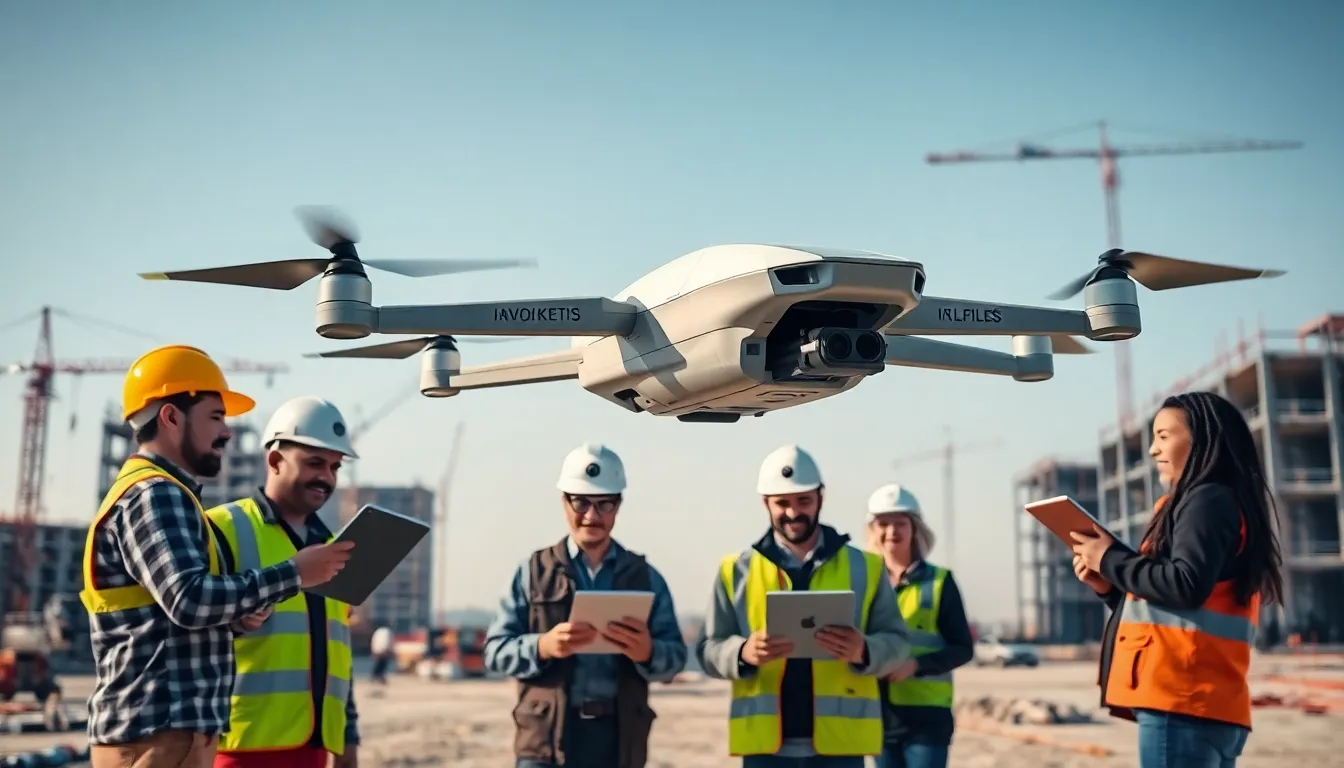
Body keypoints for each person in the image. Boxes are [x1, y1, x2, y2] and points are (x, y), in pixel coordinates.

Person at [82, 345, 354, 768]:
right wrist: (293, 574)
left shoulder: (164, 495)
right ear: (172, 417)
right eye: (215, 416)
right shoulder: (157, 494)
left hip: (171, 732)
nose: (227, 432)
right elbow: (187, 599)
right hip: (165, 732)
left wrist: (234, 621)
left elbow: (173, 616)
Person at [1070, 391, 1285, 768]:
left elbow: (1185, 584)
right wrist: (1108, 584)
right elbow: (1174, 601)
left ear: (1201, 440)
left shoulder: (1204, 500)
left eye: (1164, 436)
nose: (1153, 450)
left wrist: (1109, 557)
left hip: (1181, 700)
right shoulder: (1218, 502)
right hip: (1205, 703)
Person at [696, 444, 914, 767]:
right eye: (781, 503)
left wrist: (863, 650)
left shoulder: (866, 567)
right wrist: (742, 653)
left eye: (803, 501)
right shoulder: (734, 571)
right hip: (764, 749)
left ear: (821, 498)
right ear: (765, 503)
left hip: (841, 747)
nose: (793, 512)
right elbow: (707, 649)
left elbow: (898, 643)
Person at [483, 443, 688, 768]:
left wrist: (647, 652)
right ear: (564, 501)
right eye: (581, 502)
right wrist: (543, 646)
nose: (592, 516)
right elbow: (495, 652)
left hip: (618, 741)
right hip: (545, 744)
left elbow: (676, 657)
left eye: (604, 504)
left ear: (618, 505)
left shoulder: (646, 578)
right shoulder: (532, 572)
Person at [204, 396, 363, 768]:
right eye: (314, 463)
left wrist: (348, 740)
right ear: (274, 460)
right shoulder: (222, 528)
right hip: (237, 749)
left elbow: (338, 653)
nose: (327, 478)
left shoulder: (335, 547)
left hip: (315, 749)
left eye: (335, 467)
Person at [863, 484, 973, 768]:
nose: (891, 531)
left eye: (900, 523)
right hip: (879, 714)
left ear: (915, 529)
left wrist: (914, 666)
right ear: (872, 530)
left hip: (928, 719)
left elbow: (962, 649)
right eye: (883, 523)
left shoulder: (940, 583)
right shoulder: (863, 584)